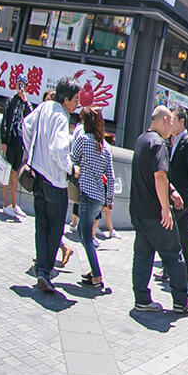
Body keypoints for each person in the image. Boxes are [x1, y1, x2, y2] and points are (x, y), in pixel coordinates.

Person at [129, 106, 188, 315]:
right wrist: (166, 208)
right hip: (156, 213)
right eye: (171, 122)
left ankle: (141, 299)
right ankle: (180, 302)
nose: (171, 127)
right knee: (173, 254)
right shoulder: (159, 144)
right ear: (165, 120)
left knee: (142, 255)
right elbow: (159, 175)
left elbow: (153, 175)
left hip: (139, 210)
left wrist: (172, 191)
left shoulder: (141, 140)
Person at [23, 77, 80, 293]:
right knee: (55, 229)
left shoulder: (45, 107)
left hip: (37, 175)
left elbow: (25, 127)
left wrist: (33, 154)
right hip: (55, 182)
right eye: (75, 99)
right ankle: (45, 272)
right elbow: (59, 150)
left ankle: (41, 270)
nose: (77, 104)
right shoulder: (61, 117)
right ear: (65, 99)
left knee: (41, 226)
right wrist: (70, 168)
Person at [70, 107, 114, 289]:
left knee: (86, 236)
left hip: (86, 194)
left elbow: (72, 158)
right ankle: (93, 271)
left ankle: (97, 275)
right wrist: (109, 200)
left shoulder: (83, 140)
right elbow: (110, 177)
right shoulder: (105, 148)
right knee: (83, 232)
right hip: (98, 198)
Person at [160, 107, 188, 284]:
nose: (170, 123)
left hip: (182, 196)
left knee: (170, 233)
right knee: (182, 234)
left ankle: (173, 270)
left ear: (181, 122)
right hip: (174, 195)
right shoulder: (173, 141)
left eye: (173, 120)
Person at [0, 82, 32, 221]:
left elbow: (31, 118)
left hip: (20, 143)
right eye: (19, 85)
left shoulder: (25, 103)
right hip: (11, 141)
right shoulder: (10, 101)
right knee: (7, 173)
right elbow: (5, 121)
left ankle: (14, 204)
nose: (21, 88)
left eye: (23, 85)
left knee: (14, 174)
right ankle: (6, 204)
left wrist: (25, 101)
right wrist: (4, 141)